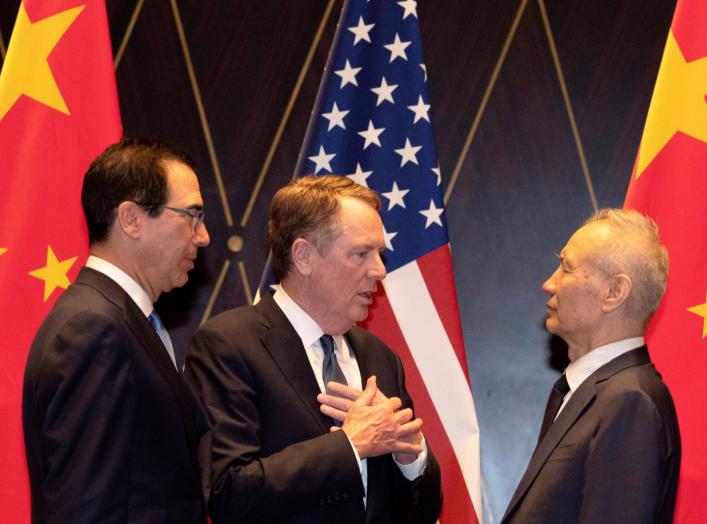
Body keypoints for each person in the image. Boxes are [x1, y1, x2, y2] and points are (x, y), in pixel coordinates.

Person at [185, 175, 442, 523]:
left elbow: (422, 511)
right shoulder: (229, 346)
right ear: (303, 256)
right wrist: (350, 446)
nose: (380, 270)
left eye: (379, 253)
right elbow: (228, 492)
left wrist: (412, 456)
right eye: (361, 253)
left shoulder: (380, 357)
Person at [23, 138, 211, 523]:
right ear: (131, 219)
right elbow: (83, 508)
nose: (203, 235)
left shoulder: (119, 319)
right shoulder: (94, 329)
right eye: (191, 215)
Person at [502, 208, 681, 523]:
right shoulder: (592, 392)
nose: (549, 284)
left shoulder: (630, 403)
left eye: (565, 268)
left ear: (613, 292)